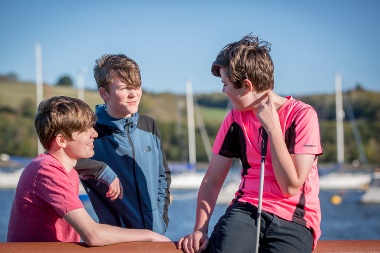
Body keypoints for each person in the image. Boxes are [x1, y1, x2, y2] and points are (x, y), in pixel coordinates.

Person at [178, 34, 323, 253]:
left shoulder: (302, 116)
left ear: (246, 86)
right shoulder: (234, 119)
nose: (223, 91)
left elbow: (290, 187)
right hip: (246, 211)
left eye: (225, 84)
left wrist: (273, 129)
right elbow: (212, 180)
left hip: (294, 219)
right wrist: (200, 229)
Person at [7, 96, 170, 245]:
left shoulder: (66, 170)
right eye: (85, 130)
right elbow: (93, 235)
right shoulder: (47, 170)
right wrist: (149, 235)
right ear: (61, 140)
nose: (94, 133)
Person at [77, 54, 171, 235]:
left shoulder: (149, 125)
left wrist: (160, 219)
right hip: (117, 239)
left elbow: (162, 176)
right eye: (125, 88)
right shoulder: (90, 131)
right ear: (104, 93)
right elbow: (58, 161)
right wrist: (101, 170)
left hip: (155, 235)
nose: (134, 93)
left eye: (137, 86)